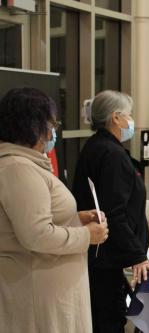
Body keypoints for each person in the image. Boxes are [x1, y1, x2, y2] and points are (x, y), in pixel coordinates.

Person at [0, 87, 108, 333]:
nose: (53, 131)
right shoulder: (19, 169)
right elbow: (36, 235)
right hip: (38, 295)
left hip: (48, 289)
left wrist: (76, 219)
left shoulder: (27, 164)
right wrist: (86, 236)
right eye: (51, 123)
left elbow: (36, 218)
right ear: (32, 125)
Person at [72, 90, 149, 333]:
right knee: (109, 318)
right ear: (116, 118)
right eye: (129, 115)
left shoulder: (98, 146)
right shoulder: (111, 153)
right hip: (105, 255)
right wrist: (138, 254)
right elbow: (114, 211)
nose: (131, 121)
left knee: (105, 315)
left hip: (103, 254)